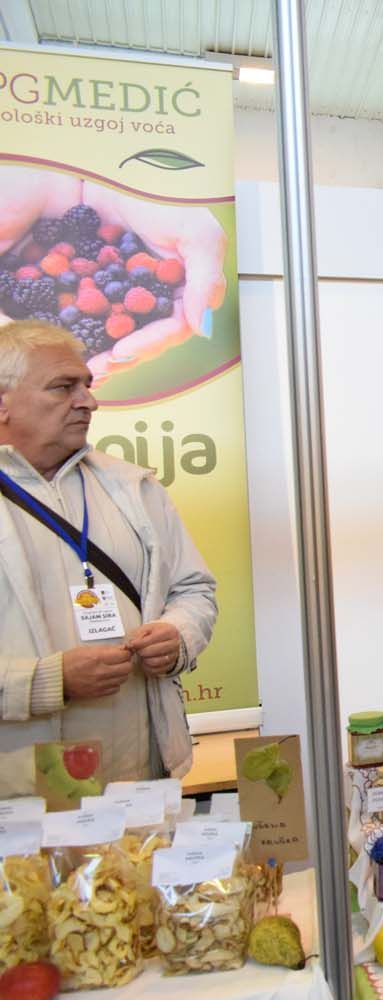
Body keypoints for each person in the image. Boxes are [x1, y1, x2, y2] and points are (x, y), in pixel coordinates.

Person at [0, 320, 217, 795]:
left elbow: (193, 589)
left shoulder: (134, 487)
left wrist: (178, 635)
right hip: (17, 797)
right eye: (63, 387)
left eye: (87, 385)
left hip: (138, 783)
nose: (89, 401)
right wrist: (48, 681)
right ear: (3, 403)